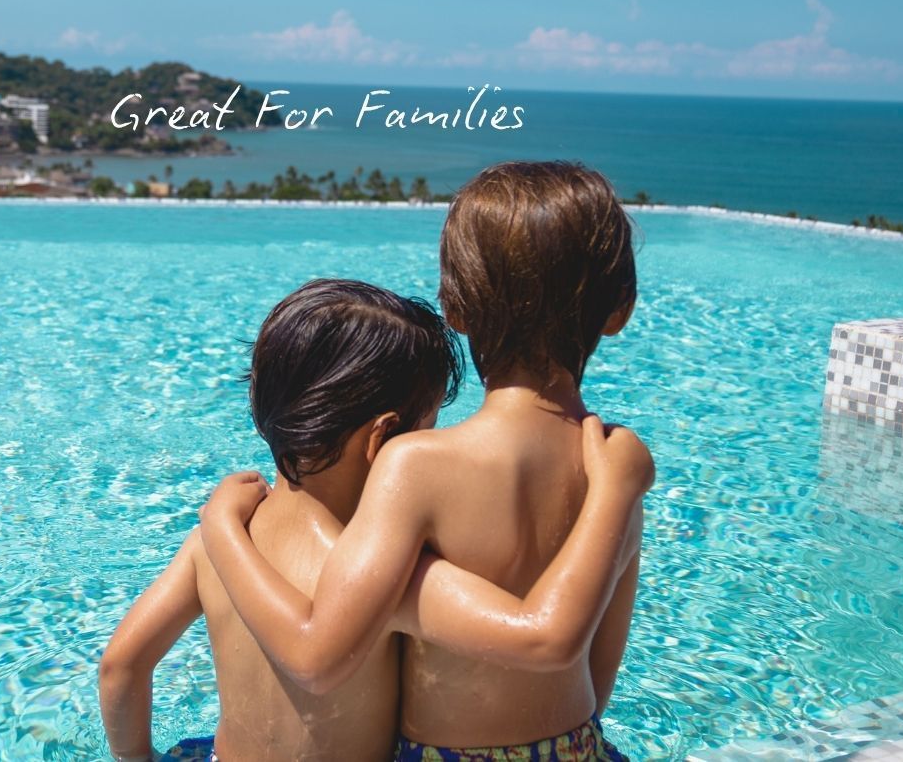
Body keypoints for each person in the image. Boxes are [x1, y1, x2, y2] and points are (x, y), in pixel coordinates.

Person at [199, 162, 649, 760]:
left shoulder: (416, 465)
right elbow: (599, 684)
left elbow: (318, 655)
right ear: (621, 309)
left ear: (454, 308)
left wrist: (221, 527)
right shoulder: (616, 467)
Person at [101, 276, 650, 761]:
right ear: (382, 439)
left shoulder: (218, 540)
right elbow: (539, 642)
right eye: (430, 425)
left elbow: (121, 666)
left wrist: (137, 757)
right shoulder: (386, 579)